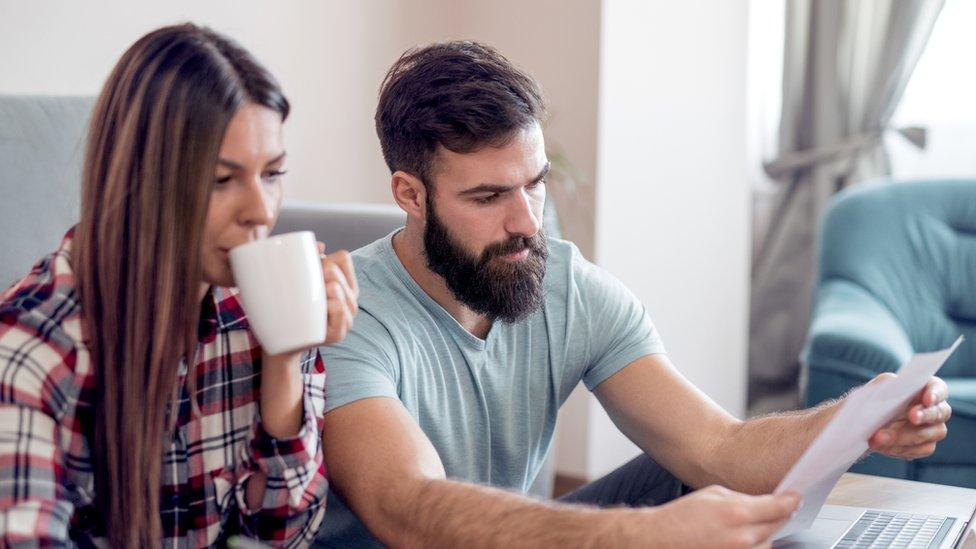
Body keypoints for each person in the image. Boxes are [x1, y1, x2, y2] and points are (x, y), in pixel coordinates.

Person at [314, 41, 952, 547]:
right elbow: (408, 510)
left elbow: (718, 449)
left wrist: (854, 419)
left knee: (695, 480)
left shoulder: (567, 286)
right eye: (487, 197)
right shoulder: (351, 312)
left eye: (534, 184)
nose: (528, 223)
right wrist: (635, 536)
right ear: (410, 195)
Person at [0, 24, 358, 548]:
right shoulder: (32, 351)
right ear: (140, 180)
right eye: (221, 179)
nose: (261, 211)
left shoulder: (262, 303)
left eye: (273, 174)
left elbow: (283, 536)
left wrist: (285, 359)